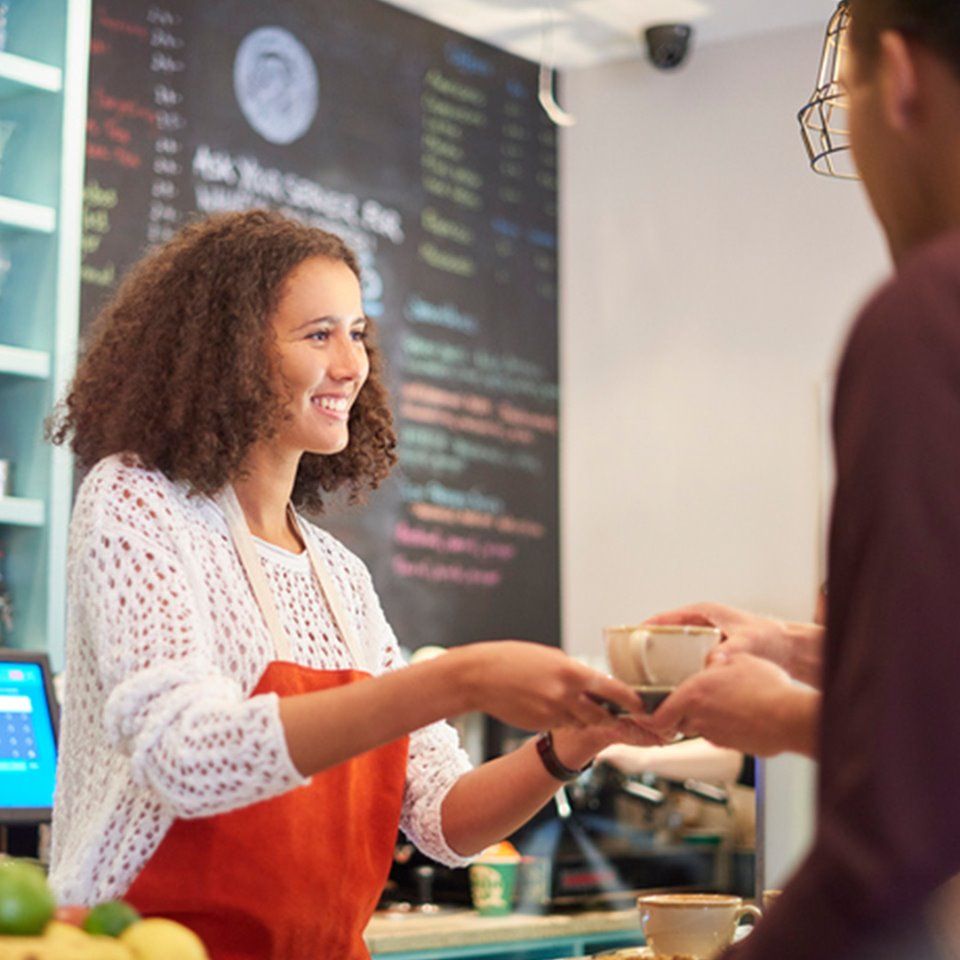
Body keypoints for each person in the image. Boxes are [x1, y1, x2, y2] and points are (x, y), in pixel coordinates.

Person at [46, 210, 659, 960]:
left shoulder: (338, 575)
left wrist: (572, 745)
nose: (351, 365)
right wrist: (457, 680)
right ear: (227, 353)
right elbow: (184, 754)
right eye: (318, 335)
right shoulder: (137, 501)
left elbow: (442, 820)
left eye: (357, 333)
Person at [649, 1, 960, 956]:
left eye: (846, 97)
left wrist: (778, 713)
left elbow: (899, 819)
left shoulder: (927, 316)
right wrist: (784, 645)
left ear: (897, 77)